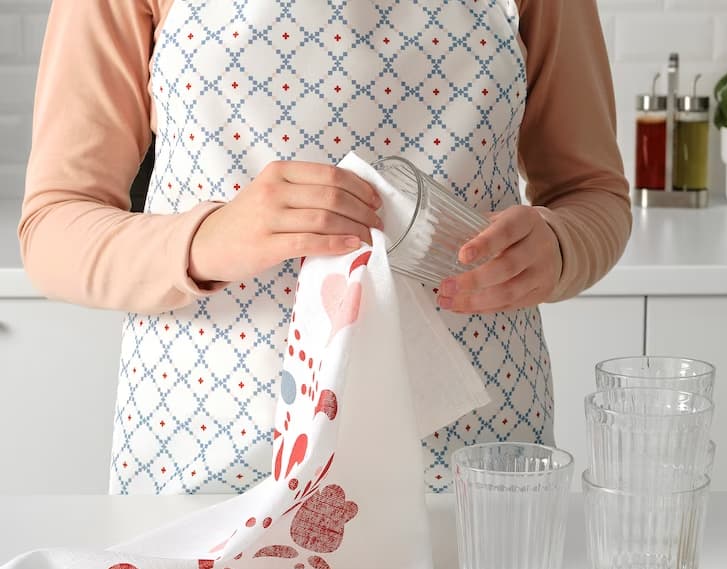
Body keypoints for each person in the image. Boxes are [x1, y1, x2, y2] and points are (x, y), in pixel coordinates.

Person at [18, 0, 631, 495]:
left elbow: (592, 193)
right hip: (211, 450)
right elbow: (52, 225)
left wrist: (560, 246)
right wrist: (207, 240)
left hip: (474, 458)